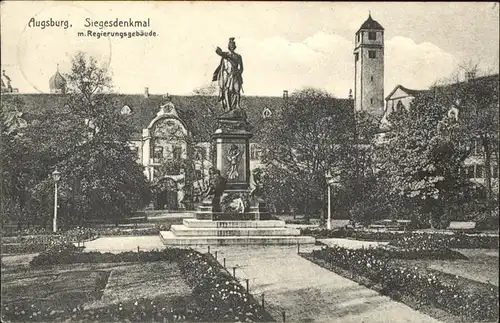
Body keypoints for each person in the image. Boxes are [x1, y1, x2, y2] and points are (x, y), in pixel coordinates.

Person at [212, 37, 244, 112]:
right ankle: (229, 107)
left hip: (235, 75)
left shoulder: (238, 56)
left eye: (233, 45)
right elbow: (219, 53)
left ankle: (237, 105)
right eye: (230, 45)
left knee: (237, 91)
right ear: (229, 46)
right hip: (228, 76)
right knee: (226, 91)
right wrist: (217, 49)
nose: (231, 47)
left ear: (234, 46)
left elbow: (241, 68)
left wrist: (239, 73)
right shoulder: (225, 55)